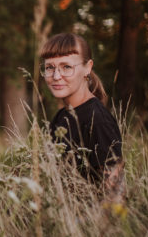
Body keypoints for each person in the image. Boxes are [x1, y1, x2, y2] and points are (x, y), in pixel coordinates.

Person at [40, 33, 124, 201]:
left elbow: (115, 196)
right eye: (50, 67)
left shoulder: (98, 120)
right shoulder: (61, 116)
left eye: (66, 67)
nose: (56, 76)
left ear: (88, 67)